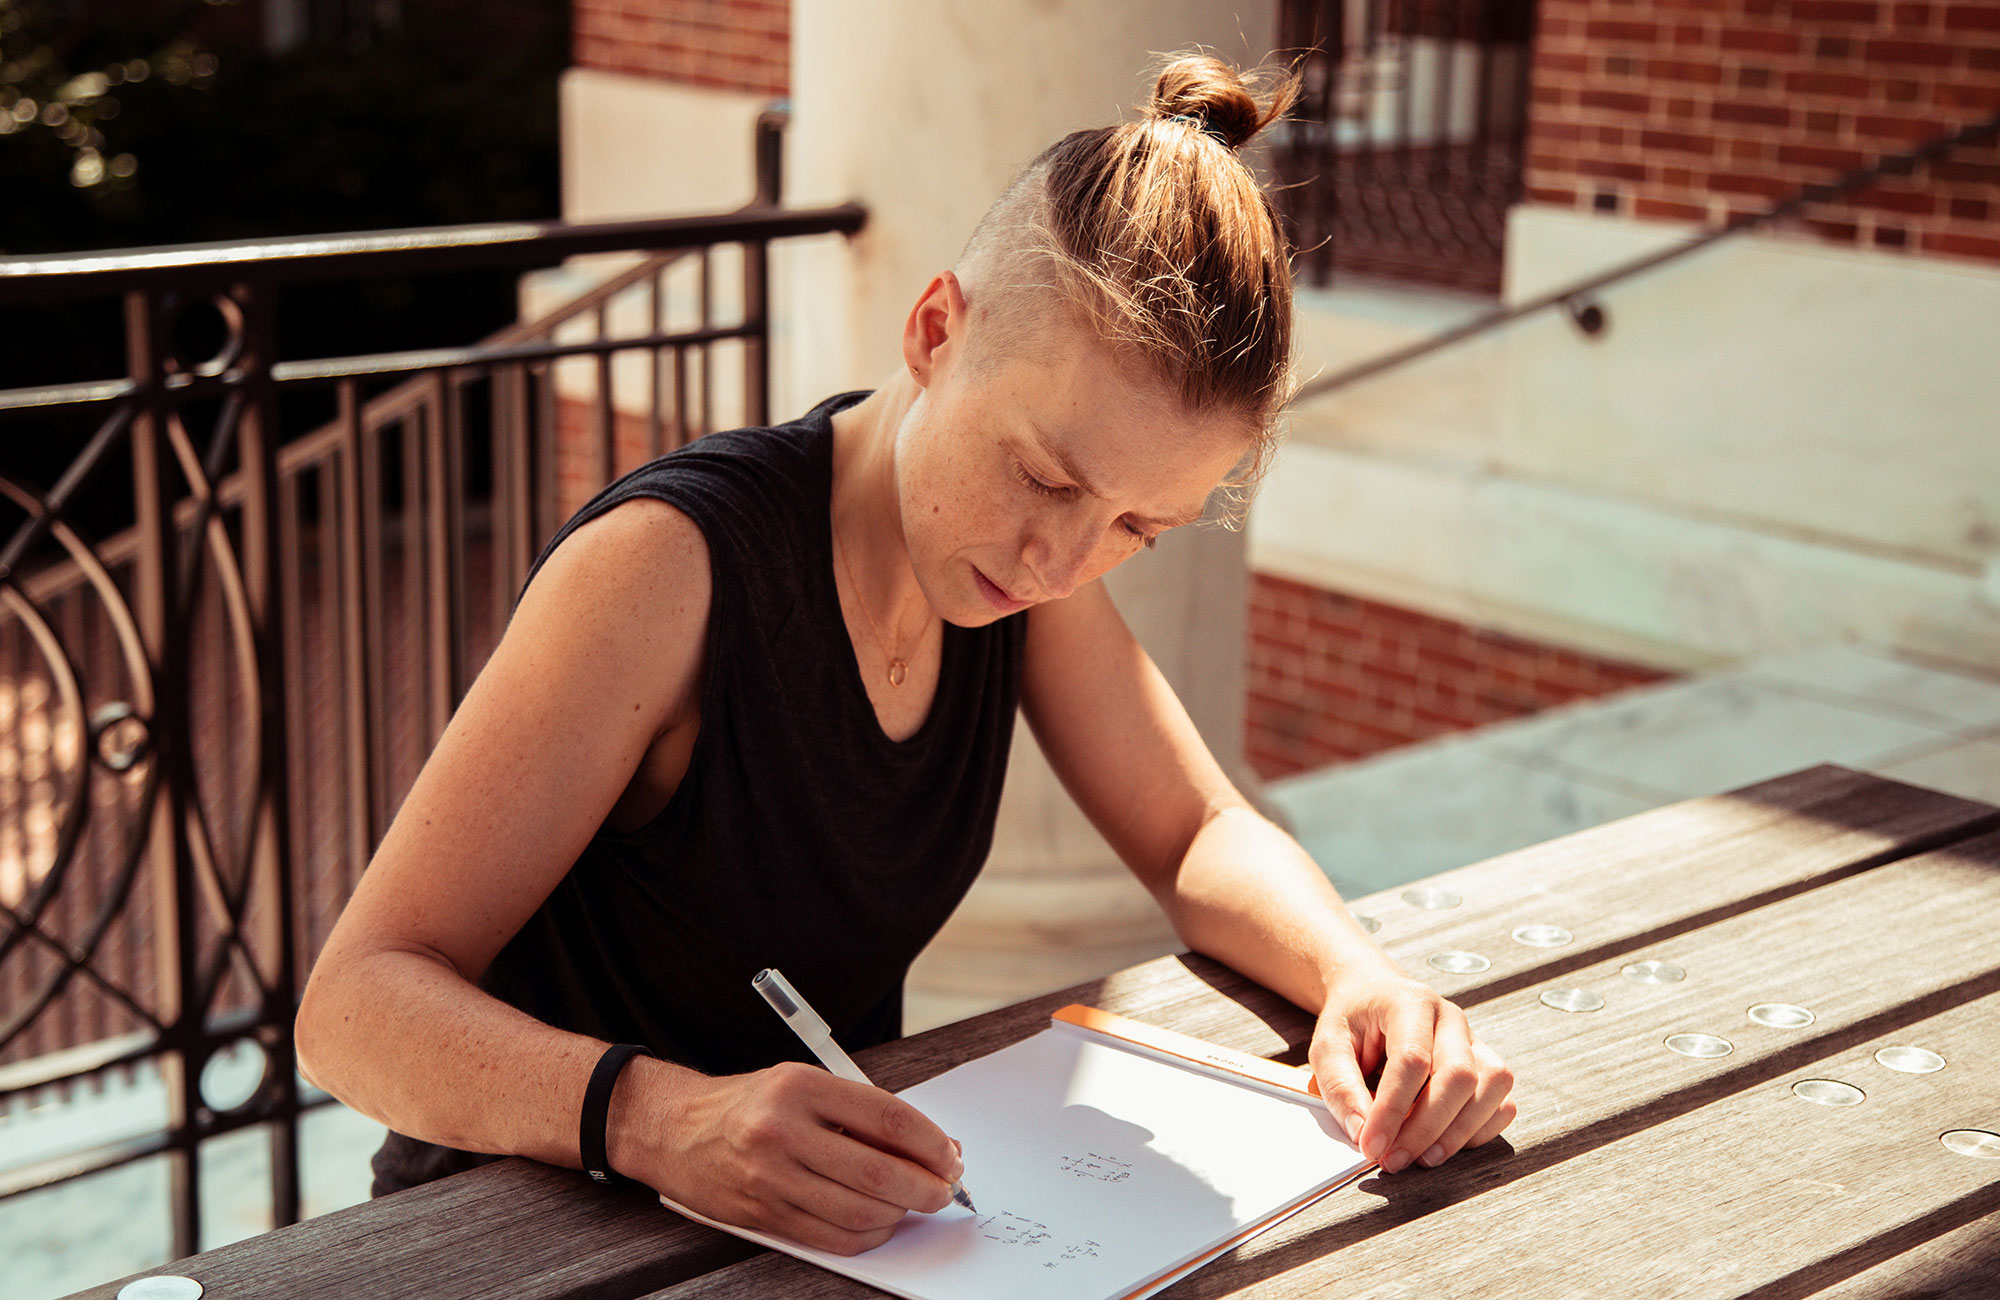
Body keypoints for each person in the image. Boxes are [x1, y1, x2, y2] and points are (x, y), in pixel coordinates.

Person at [295, 51, 1515, 1257]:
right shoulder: (668, 566)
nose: (1059, 561)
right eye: (1041, 475)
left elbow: (1194, 830)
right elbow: (354, 1007)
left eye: (1137, 529)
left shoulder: (1015, 578)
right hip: (504, 1229)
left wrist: (1357, 980)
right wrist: (664, 1117)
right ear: (935, 328)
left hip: (807, 1238)